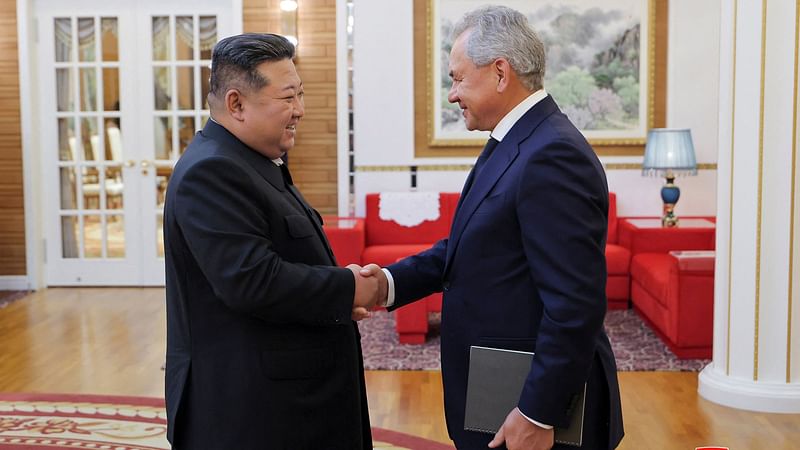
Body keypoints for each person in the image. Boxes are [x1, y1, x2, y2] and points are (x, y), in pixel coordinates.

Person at [360, 6, 623, 450]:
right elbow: (468, 248)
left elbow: (575, 304)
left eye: (458, 78)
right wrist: (386, 284)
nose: (451, 95)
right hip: (498, 388)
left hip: (531, 406)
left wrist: (538, 412)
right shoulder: (516, 141)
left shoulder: (552, 154)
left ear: (501, 72)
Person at [163, 33, 378, 449]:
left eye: (301, 94)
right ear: (236, 104)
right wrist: (350, 287)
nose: (301, 110)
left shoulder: (251, 160)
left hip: (289, 404)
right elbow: (253, 281)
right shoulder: (211, 172)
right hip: (256, 413)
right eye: (287, 98)